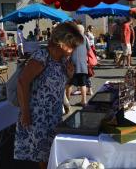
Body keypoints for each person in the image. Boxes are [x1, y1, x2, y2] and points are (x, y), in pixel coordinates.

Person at [14, 22, 84, 169]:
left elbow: (57, 86)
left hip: (53, 115)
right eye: (72, 45)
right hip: (38, 116)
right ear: (62, 42)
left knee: (52, 154)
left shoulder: (63, 60)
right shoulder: (42, 56)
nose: (74, 49)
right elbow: (22, 83)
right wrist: (25, 112)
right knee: (45, 158)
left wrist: (70, 75)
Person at [66, 24, 90, 107]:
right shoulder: (86, 38)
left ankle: (67, 102)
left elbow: (68, 50)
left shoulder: (72, 38)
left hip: (73, 64)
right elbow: (89, 50)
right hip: (83, 64)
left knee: (69, 84)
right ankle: (84, 101)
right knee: (83, 84)